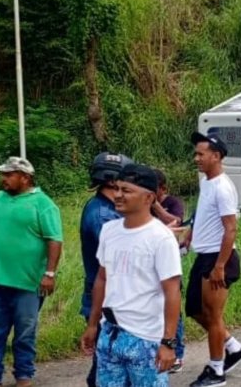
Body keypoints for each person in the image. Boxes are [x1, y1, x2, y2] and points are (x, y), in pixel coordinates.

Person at [0, 157, 63, 387]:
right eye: (3, 174)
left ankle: (24, 375)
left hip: (28, 283)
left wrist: (49, 274)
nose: (3, 179)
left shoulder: (43, 204)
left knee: (25, 332)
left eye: (9, 175)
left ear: (25, 177)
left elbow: (54, 240)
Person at [80, 163, 182, 387]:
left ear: (148, 198)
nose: (118, 195)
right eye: (116, 189)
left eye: (126, 191)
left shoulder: (161, 238)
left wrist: (168, 342)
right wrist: (93, 324)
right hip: (110, 334)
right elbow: (102, 279)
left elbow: (172, 291)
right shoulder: (110, 231)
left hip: (146, 340)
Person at [185, 132, 241, 387]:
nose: (196, 158)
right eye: (196, 154)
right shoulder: (207, 182)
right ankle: (234, 348)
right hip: (204, 255)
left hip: (218, 258)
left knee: (213, 317)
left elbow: (230, 228)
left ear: (216, 156)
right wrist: (191, 232)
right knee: (194, 310)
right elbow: (203, 215)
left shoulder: (223, 187)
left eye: (201, 154)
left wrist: (220, 266)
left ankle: (216, 372)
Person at [80, 152, 132, 387]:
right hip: (106, 296)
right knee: (108, 363)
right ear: (112, 180)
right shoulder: (102, 216)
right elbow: (119, 260)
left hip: (111, 294)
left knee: (109, 362)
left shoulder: (110, 210)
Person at [151, 169, 187, 373]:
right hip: (151, 264)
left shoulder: (173, 203)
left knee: (173, 310)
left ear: (163, 189)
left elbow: (176, 222)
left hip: (170, 262)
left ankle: (177, 353)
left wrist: (156, 206)